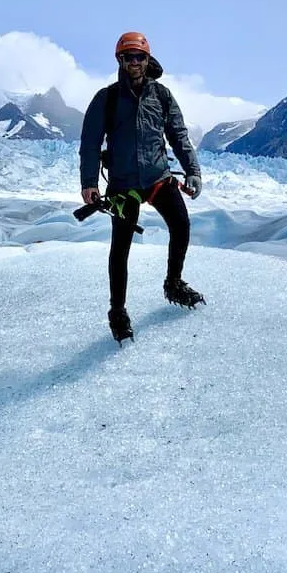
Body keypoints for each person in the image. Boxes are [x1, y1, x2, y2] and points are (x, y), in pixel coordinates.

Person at [79, 31, 204, 341]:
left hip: (158, 179)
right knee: (120, 250)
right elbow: (90, 144)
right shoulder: (106, 98)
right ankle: (117, 311)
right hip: (123, 187)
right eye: (128, 57)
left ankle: (173, 283)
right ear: (119, 60)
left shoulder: (161, 95)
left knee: (181, 226)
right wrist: (89, 183)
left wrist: (193, 171)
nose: (134, 62)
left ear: (148, 60)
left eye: (139, 57)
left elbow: (178, 136)